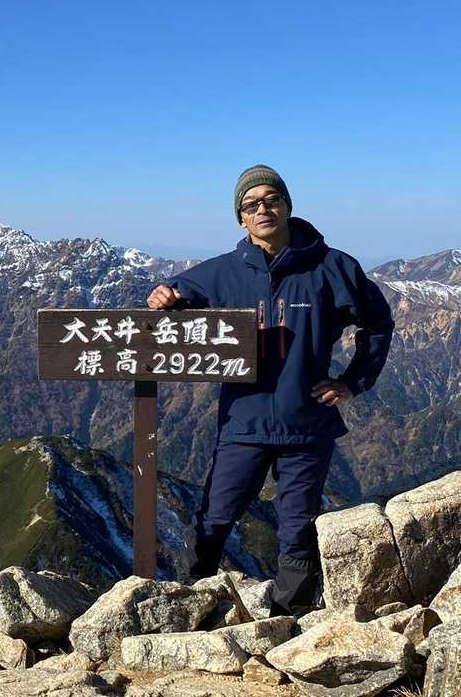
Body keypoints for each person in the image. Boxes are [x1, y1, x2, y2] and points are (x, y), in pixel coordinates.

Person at [146, 164, 394, 616]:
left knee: (297, 527)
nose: (262, 209)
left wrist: (352, 382)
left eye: (271, 199)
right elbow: (172, 298)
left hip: (306, 425)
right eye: (251, 204)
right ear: (241, 218)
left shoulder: (333, 267)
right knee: (215, 517)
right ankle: (194, 604)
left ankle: (288, 623)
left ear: (287, 206)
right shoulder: (223, 272)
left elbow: (377, 324)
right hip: (243, 423)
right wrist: (162, 296)